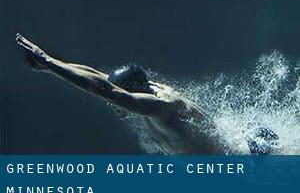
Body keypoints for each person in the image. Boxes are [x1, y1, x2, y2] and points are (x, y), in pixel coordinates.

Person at [15, 33, 277, 154]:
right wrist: (51, 66)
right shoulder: (146, 92)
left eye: (115, 99)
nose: (111, 104)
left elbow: (105, 90)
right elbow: (99, 79)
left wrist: (48, 62)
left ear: (132, 93)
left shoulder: (161, 107)